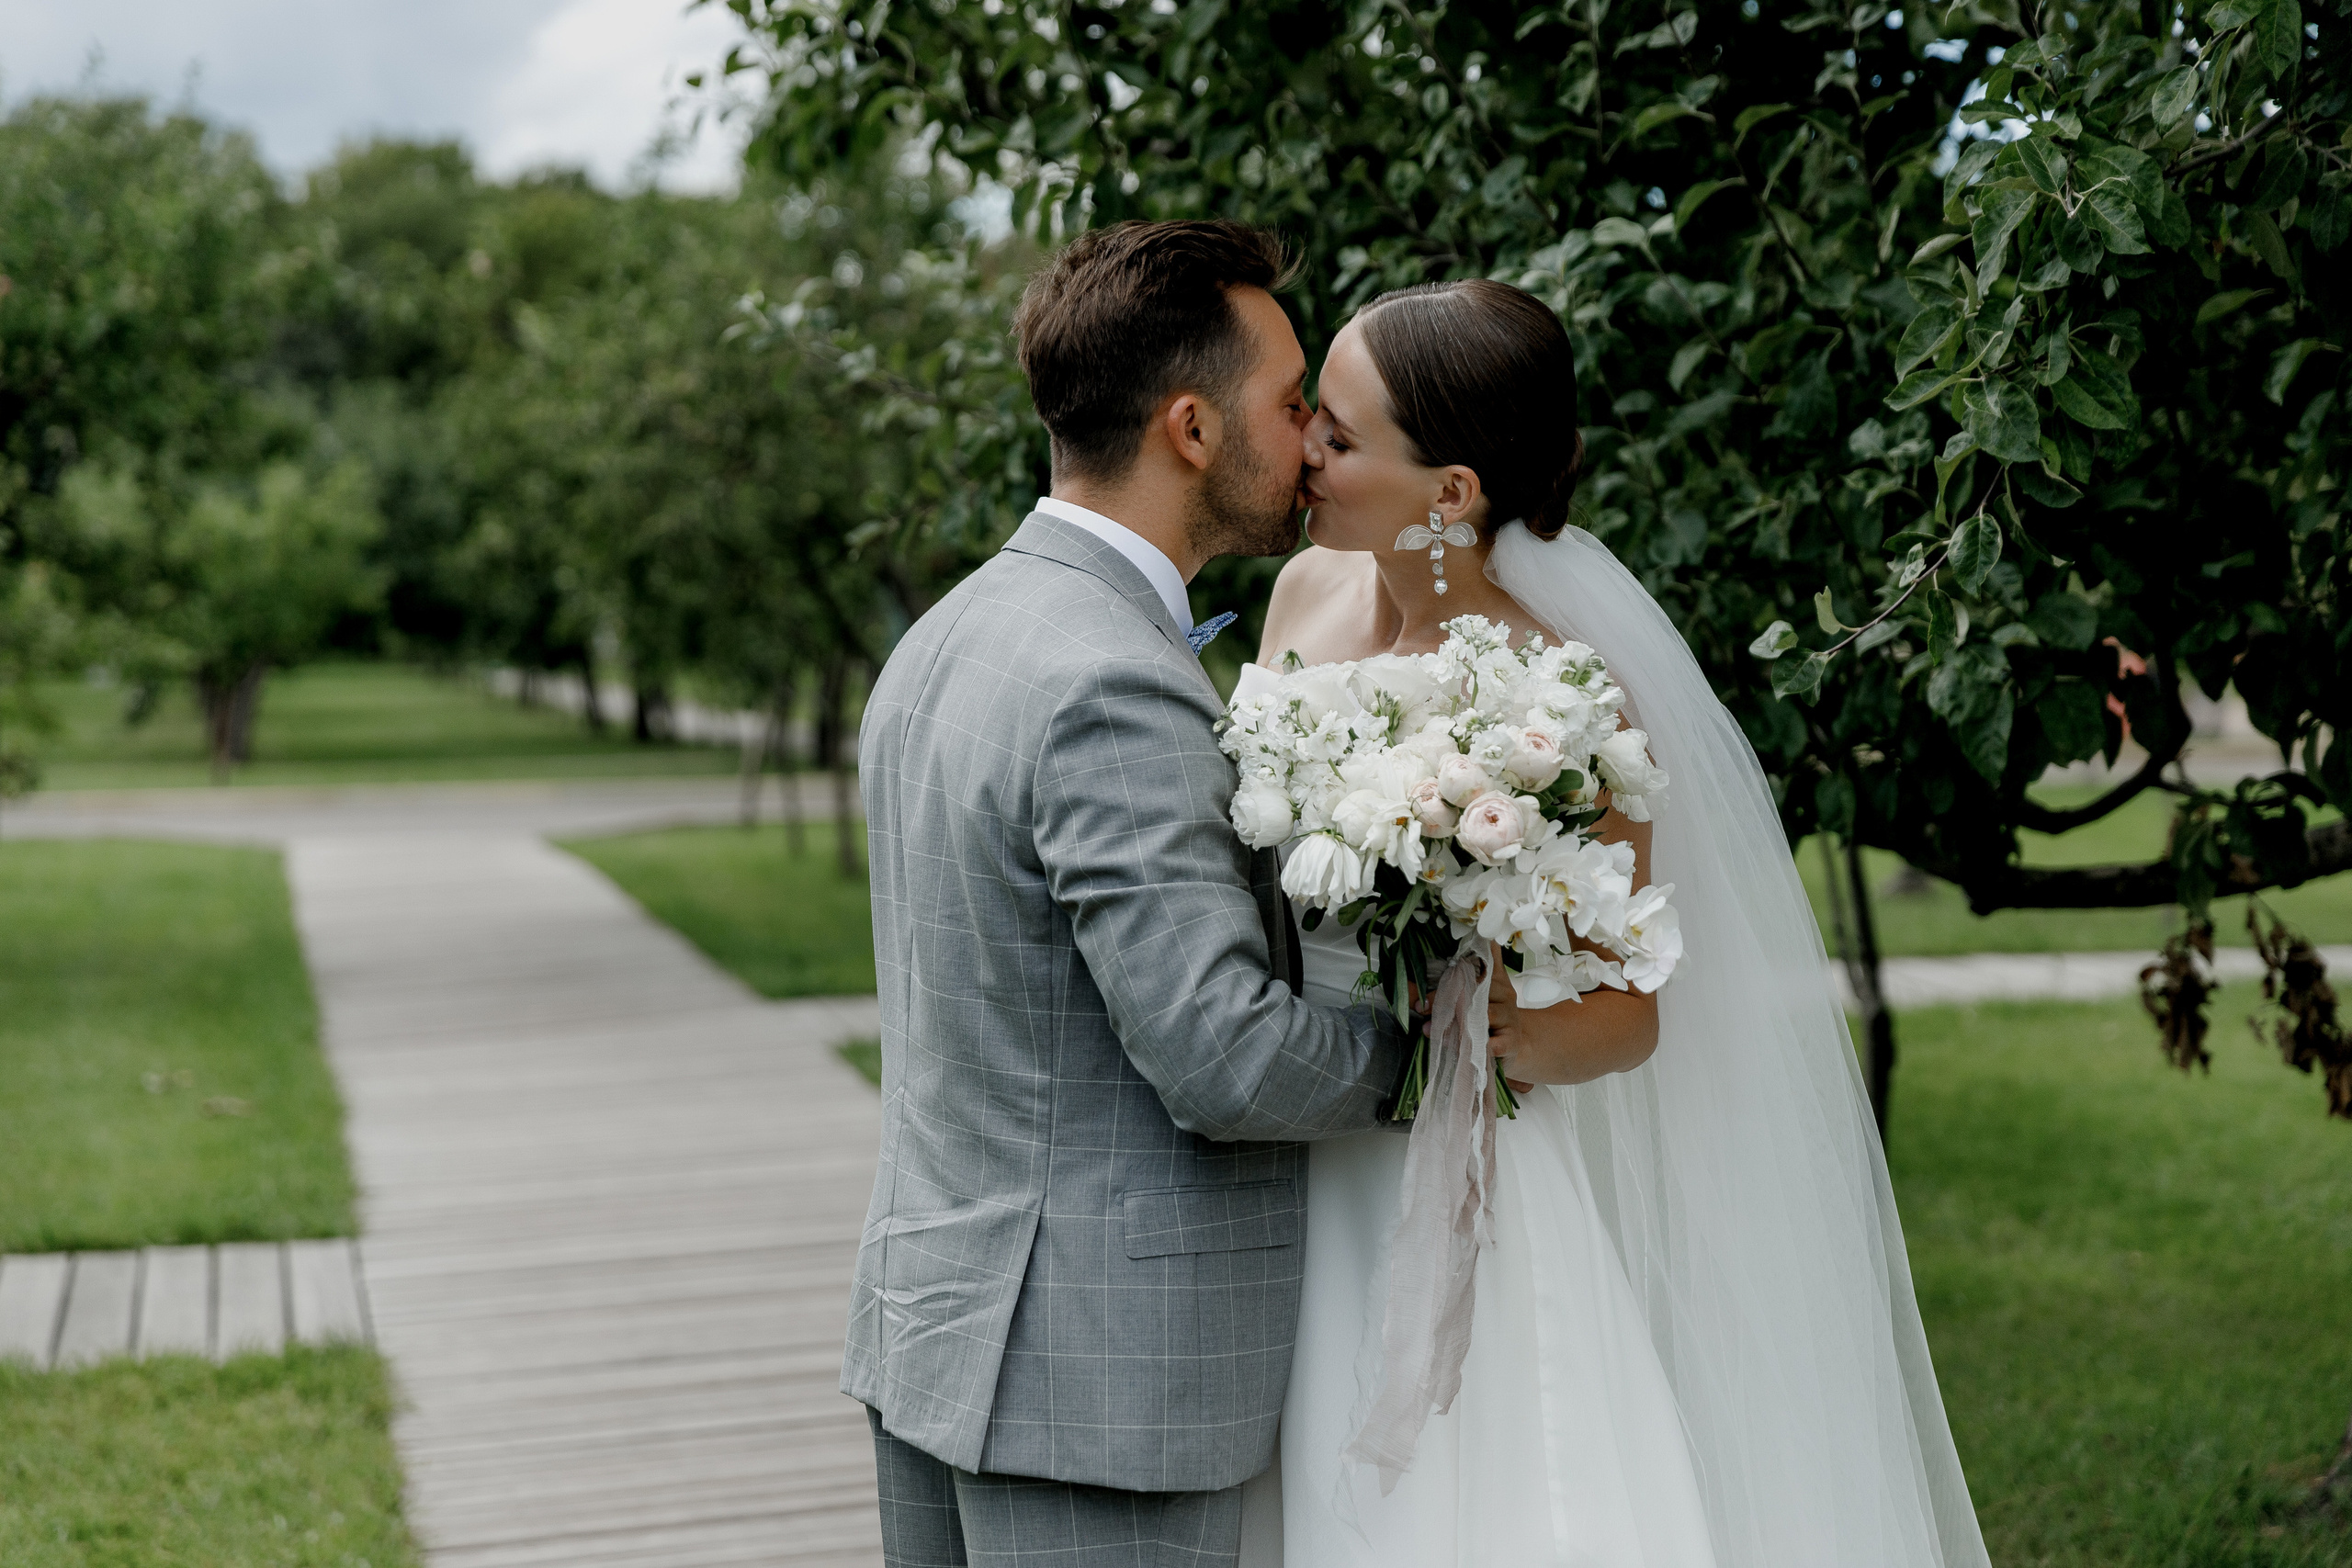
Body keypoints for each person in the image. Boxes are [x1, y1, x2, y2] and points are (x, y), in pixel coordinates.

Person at [1235, 277, 1992, 1566]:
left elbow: (1626, 1021)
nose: (1304, 448)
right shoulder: (1306, 590)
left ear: (1454, 491)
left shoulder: (1567, 705)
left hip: (1461, 1175)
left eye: (1344, 437)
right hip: (1282, 1146)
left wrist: (1464, 1029)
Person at [846, 220, 1413, 1568]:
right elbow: (1221, 1057)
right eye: (1288, 406)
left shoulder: (951, 634)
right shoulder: (1112, 680)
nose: (1311, 440)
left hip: (938, 1335)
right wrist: (1450, 1056)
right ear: (1192, 430)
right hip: (1096, 1390)